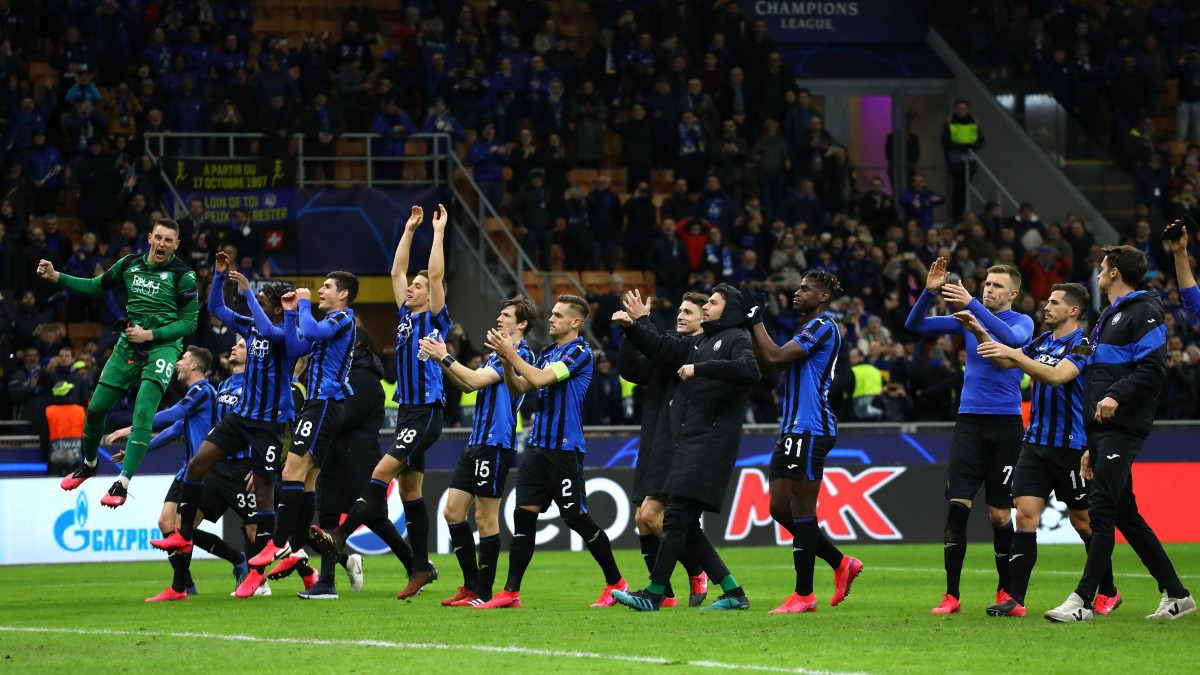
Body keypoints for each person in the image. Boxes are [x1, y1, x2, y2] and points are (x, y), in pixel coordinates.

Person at [979, 244, 1194, 622]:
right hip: (1094, 433)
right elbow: (1101, 375)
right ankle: (1176, 594)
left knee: (1098, 514)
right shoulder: (1110, 317)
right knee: (1125, 515)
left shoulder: (1142, 311)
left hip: (1118, 426)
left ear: (1114, 272)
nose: (1098, 271)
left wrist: (1114, 395)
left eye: (1103, 266)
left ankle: (1085, 600)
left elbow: (1151, 369)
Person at [310, 205, 449, 600]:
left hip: (425, 410)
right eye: (413, 287)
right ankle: (420, 566)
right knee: (411, 494)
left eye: (418, 287)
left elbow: (435, 274)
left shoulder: (436, 317)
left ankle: (339, 534)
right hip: (408, 410)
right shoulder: (406, 315)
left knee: (380, 472)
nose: (412, 289)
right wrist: (407, 229)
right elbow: (395, 272)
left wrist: (436, 233)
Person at [150, 253, 308, 599]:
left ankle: (267, 569)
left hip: (268, 424)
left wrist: (251, 292)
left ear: (278, 308)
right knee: (197, 464)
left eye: (263, 303)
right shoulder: (252, 326)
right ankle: (183, 534)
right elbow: (217, 309)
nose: (254, 308)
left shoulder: (286, 332)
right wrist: (220, 276)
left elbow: (269, 329)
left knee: (264, 493)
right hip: (241, 417)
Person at [960, 284, 1119, 617]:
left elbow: (1057, 377)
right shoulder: (1042, 342)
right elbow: (1005, 362)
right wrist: (977, 329)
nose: (1047, 307)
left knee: (1083, 523)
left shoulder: (1085, 344)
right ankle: (1015, 599)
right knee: (1025, 516)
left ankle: (1108, 591)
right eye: (1048, 300)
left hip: (1071, 447)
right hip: (1035, 444)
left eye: (1055, 302)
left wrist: (1017, 355)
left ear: (1073, 310)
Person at [610, 285, 759, 612]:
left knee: (672, 519)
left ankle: (655, 593)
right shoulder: (705, 342)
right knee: (681, 522)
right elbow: (659, 349)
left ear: (729, 309)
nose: (706, 307)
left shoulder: (734, 339)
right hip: (691, 441)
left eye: (712, 303)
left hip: (709, 443)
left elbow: (750, 370)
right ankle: (732, 591)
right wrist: (634, 327)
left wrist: (699, 369)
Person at [473, 294, 627, 609]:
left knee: (577, 518)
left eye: (558, 315)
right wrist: (506, 363)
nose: (552, 318)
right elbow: (520, 387)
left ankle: (616, 583)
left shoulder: (580, 351)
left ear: (575, 322)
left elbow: (542, 378)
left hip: (564, 450)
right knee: (523, 518)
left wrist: (510, 355)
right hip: (537, 447)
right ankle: (511, 592)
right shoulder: (547, 352)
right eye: (552, 313)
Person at [905, 259, 1034, 615]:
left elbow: (1011, 340)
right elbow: (913, 325)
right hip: (969, 425)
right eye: (986, 283)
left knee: (998, 515)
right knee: (957, 508)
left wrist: (973, 311)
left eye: (996, 286)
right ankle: (951, 595)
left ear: (1013, 293)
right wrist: (928, 294)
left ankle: (1005, 592)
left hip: (1006, 426)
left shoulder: (1022, 321)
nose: (987, 289)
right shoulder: (966, 318)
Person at [45, 219, 199, 507]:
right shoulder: (129, 264)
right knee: (98, 407)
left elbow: (190, 323)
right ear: (150, 237)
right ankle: (90, 464)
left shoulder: (184, 275)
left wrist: (150, 334)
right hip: (129, 343)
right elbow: (95, 286)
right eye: (159, 238)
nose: (163, 244)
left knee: (143, 409)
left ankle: (122, 482)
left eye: (169, 240)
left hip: (162, 347)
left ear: (177, 245)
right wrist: (57, 277)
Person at [745, 272, 865, 613]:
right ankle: (842, 564)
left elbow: (777, 357)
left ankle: (804, 595)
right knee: (779, 509)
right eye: (798, 287)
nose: (797, 293)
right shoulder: (805, 329)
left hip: (811, 428)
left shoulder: (824, 325)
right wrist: (755, 327)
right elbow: (769, 364)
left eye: (805, 289)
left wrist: (756, 323)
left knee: (801, 510)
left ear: (823, 296)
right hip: (791, 429)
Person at [418, 295, 537, 607]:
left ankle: (484, 592)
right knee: (453, 512)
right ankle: (471, 586)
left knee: (485, 517)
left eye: (507, 315)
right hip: (476, 442)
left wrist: (445, 356)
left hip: (496, 443)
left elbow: (474, 378)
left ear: (521, 324)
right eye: (500, 313)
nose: (500, 318)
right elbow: (468, 385)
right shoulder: (495, 354)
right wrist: (438, 359)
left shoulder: (519, 353)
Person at [108, 347, 251, 601]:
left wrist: (133, 427)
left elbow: (174, 414)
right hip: (187, 469)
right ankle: (188, 582)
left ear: (193, 366)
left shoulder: (203, 391)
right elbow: (174, 430)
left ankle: (198, 577)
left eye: (182, 359)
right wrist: (135, 452)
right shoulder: (194, 396)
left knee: (181, 528)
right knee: (168, 525)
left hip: (203, 471)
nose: (177, 363)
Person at [250, 271, 358, 593]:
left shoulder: (342, 319)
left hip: (324, 403)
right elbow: (297, 347)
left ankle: (281, 543)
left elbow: (310, 329)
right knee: (306, 479)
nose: (320, 291)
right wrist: (293, 313)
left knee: (290, 471)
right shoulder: (325, 325)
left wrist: (304, 306)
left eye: (327, 287)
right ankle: (295, 548)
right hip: (321, 405)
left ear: (343, 295)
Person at [619, 291, 711, 608]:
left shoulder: (698, 348)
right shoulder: (670, 345)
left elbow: (661, 348)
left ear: (705, 318)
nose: (681, 315)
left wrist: (640, 323)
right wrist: (630, 332)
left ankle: (695, 572)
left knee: (654, 516)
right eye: (679, 310)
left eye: (689, 311)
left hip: (679, 441)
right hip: (655, 438)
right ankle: (666, 593)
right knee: (643, 519)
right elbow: (632, 370)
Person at [941, 98, 985, 219]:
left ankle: (960, 214)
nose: (961, 110)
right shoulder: (949, 123)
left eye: (964, 108)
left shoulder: (973, 123)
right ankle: (956, 215)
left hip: (969, 160)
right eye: (959, 108)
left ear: (967, 109)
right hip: (956, 161)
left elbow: (981, 140)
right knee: (958, 189)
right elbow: (944, 141)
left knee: (965, 190)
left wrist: (972, 146)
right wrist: (961, 146)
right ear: (955, 109)